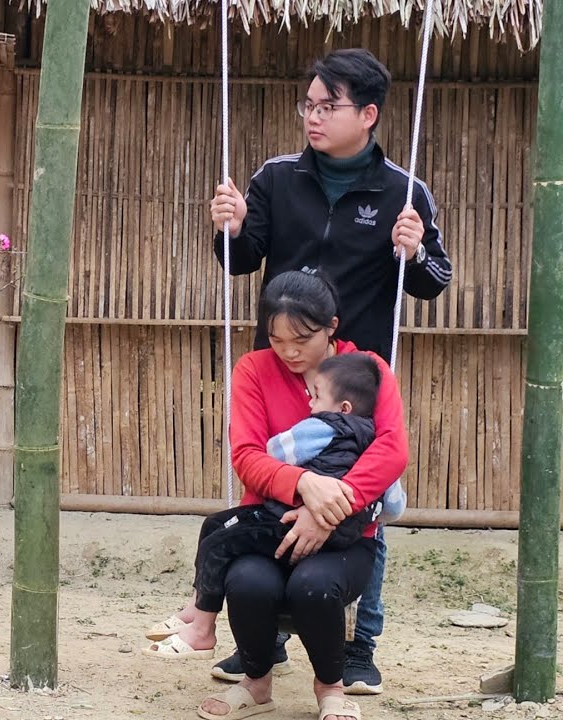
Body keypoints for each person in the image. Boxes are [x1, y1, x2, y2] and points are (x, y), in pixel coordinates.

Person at [208, 48, 452, 693]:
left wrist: (417, 248)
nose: (312, 117)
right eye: (308, 105)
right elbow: (242, 260)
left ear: (367, 114)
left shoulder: (405, 192)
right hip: (285, 361)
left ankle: (360, 644)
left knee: (358, 503)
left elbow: (433, 283)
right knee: (279, 484)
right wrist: (230, 229)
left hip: (354, 380)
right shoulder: (277, 177)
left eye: (327, 106)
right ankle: (266, 636)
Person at [194, 270, 407, 720]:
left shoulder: (367, 369)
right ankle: (256, 685)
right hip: (268, 523)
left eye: (302, 338)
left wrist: (330, 507)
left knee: (314, 587)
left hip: (347, 533)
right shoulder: (253, 368)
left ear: (332, 326)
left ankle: (330, 690)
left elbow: (392, 449)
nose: (289, 351)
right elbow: (247, 455)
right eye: (276, 339)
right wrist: (303, 484)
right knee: (248, 582)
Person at [144, 352, 382, 660]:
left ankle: (202, 628)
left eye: (317, 397)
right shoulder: (373, 439)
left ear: (343, 408)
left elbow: (274, 452)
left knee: (218, 541)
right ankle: (195, 605)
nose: (310, 404)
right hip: (339, 537)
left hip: (286, 522)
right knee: (217, 523)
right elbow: (393, 504)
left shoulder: (322, 426)